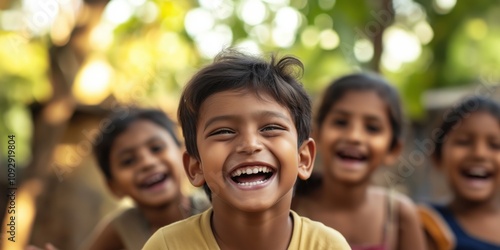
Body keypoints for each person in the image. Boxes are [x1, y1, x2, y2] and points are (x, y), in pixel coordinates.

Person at [143, 50, 350, 249]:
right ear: (196, 167)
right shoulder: (167, 246)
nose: (250, 145)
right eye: (223, 131)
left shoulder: (327, 246)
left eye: (271, 128)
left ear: (303, 159)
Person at [292, 73, 426, 250]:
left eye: (372, 128)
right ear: (316, 134)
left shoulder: (398, 215)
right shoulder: (289, 206)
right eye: (340, 122)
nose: (354, 136)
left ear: (393, 149)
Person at [79, 109, 210, 250]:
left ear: (186, 158)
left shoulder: (215, 211)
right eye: (128, 161)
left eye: (156, 148)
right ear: (114, 187)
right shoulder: (125, 226)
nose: (147, 163)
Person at [418, 97, 500, 250]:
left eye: (495, 145)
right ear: (437, 157)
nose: (479, 154)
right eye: (463, 142)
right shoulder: (424, 225)